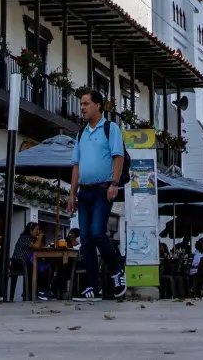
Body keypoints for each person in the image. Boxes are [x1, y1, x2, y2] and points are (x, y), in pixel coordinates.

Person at [67, 89, 126, 301]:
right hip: (85, 191)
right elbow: (76, 166)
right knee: (86, 240)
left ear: (98, 106)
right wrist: (72, 194)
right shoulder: (81, 133)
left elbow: (117, 157)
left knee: (97, 232)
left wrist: (114, 183)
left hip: (103, 189)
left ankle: (117, 270)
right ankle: (93, 287)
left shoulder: (110, 129)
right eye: (81, 104)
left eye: (86, 103)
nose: (82, 107)